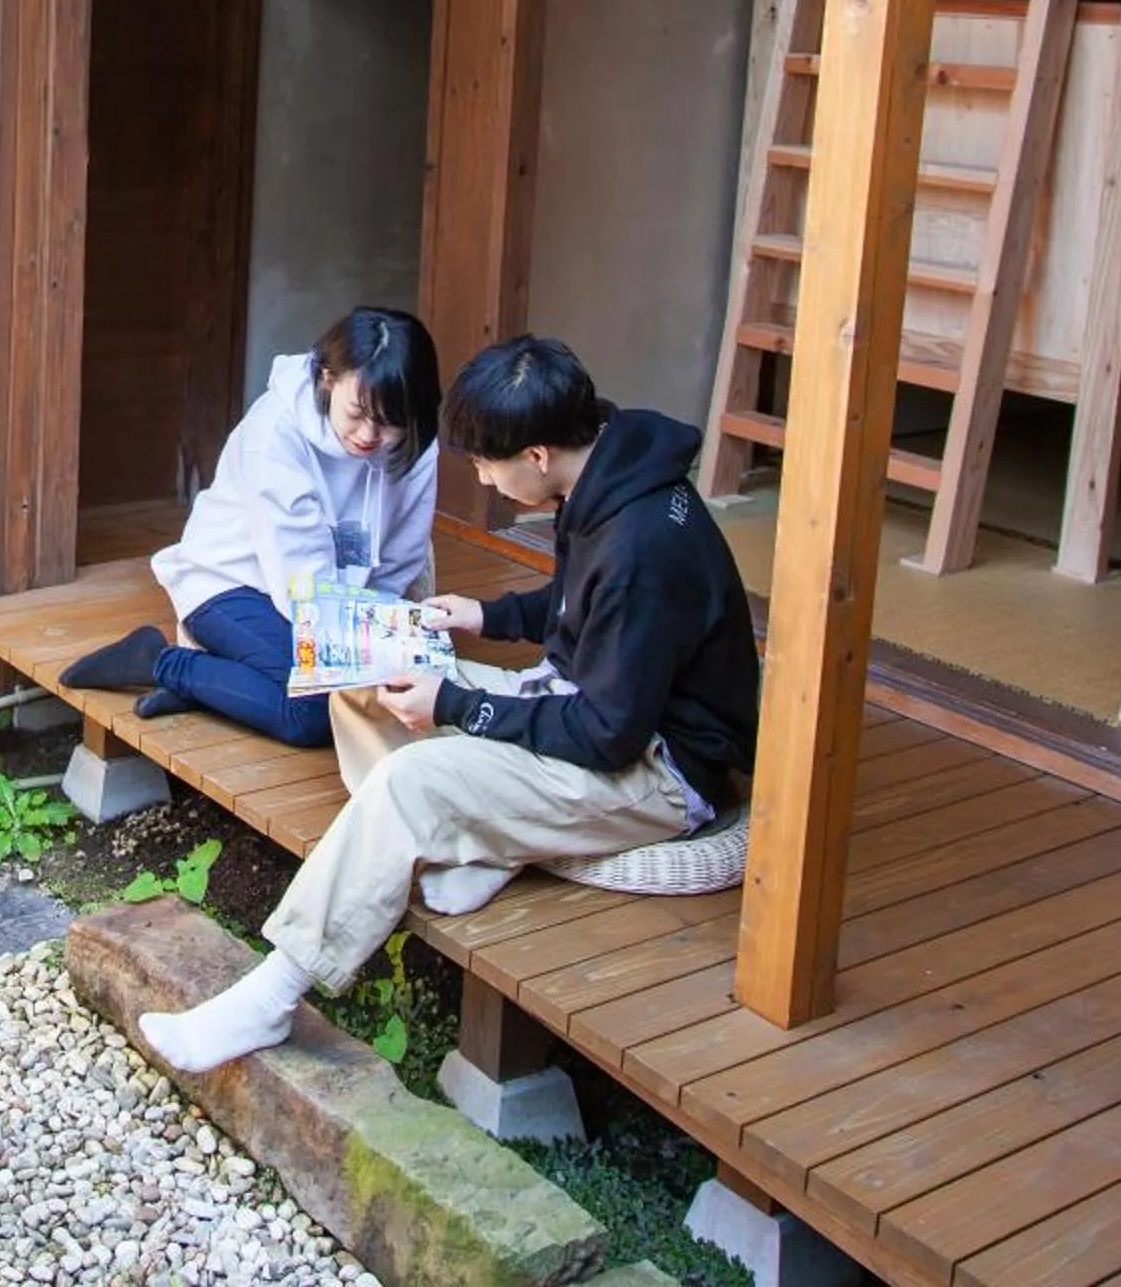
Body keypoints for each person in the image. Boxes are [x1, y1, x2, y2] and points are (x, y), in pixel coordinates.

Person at [135, 334, 759, 1075]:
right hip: (582, 701)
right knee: (363, 684)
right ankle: (457, 846)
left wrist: (459, 705)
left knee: (412, 777)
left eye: (488, 465)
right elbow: (575, 602)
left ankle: (272, 996)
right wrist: (487, 619)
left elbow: (605, 734)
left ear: (535, 456)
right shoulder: (609, 472)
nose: (484, 481)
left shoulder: (642, 548)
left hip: (656, 768)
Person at [59, 307, 441, 748]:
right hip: (231, 583)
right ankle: (159, 662)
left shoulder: (414, 440)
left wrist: (378, 637)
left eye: (390, 421)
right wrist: (361, 660)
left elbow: (402, 555)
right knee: (314, 713)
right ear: (327, 378)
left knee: (391, 686)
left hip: (337, 608)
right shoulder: (276, 433)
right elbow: (300, 584)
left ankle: (215, 685)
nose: (369, 434)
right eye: (357, 412)